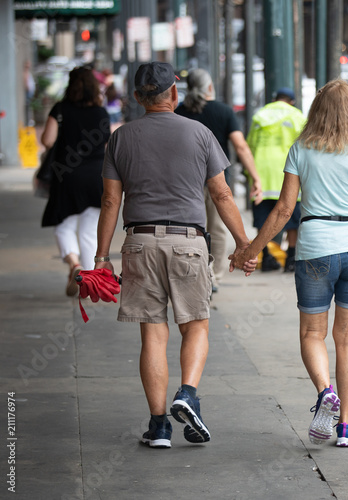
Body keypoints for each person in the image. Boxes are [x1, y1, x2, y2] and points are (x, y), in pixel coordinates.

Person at [231, 80, 348, 447]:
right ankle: (346, 427)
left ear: (316, 112)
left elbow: (283, 210)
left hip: (313, 249)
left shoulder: (301, 150)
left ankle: (326, 391)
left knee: (313, 334)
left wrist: (251, 251)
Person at [94, 62, 256, 448]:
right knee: (196, 324)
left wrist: (101, 257)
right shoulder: (199, 133)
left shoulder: (120, 138)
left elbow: (110, 200)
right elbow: (222, 195)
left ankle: (159, 427)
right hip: (188, 243)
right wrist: (243, 244)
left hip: (139, 242)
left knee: (152, 334)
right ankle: (188, 393)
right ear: (174, 94)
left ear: (137, 98)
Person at [175, 68, 262, 292]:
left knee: (189, 229)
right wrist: (255, 177)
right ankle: (212, 276)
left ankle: (193, 273)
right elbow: (240, 146)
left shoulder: (179, 112)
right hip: (217, 180)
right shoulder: (224, 111)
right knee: (217, 229)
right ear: (210, 87)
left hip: (184, 182)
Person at [41, 66, 111, 296]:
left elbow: (48, 140)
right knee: (89, 231)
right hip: (96, 177)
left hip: (66, 175)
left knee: (64, 226)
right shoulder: (101, 113)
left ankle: (75, 265)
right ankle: (89, 282)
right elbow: (107, 145)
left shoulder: (60, 109)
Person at [246, 87, 306, 272]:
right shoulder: (297, 117)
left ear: (274, 98)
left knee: (263, 218)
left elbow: (250, 145)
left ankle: (265, 256)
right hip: (286, 173)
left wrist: (251, 174)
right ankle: (291, 258)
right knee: (292, 217)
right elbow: (304, 146)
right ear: (292, 101)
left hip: (261, 173)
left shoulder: (259, 116)